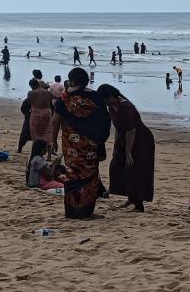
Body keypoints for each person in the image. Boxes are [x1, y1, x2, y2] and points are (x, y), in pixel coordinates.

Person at [49, 67, 111, 220]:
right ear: (86, 81)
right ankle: (86, 212)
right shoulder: (95, 98)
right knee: (89, 177)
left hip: (70, 146)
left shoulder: (64, 100)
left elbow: (55, 121)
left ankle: (71, 212)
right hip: (90, 145)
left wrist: (52, 141)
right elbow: (104, 120)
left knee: (72, 175)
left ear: (72, 80)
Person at [99, 85, 155, 212]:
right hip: (125, 138)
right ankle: (130, 197)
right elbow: (119, 128)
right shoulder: (111, 107)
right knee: (116, 166)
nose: (104, 103)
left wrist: (128, 152)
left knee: (135, 170)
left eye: (105, 99)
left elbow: (131, 131)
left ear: (111, 96)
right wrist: (117, 146)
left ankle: (138, 204)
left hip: (140, 140)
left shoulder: (126, 107)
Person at [26, 78, 54, 146]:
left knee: (35, 134)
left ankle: (36, 149)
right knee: (47, 132)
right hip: (47, 113)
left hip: (36, 113)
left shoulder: (31, 93)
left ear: (31, 86)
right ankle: (49, 151)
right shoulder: (48, 93)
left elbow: (28, 102)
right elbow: (52, 101)